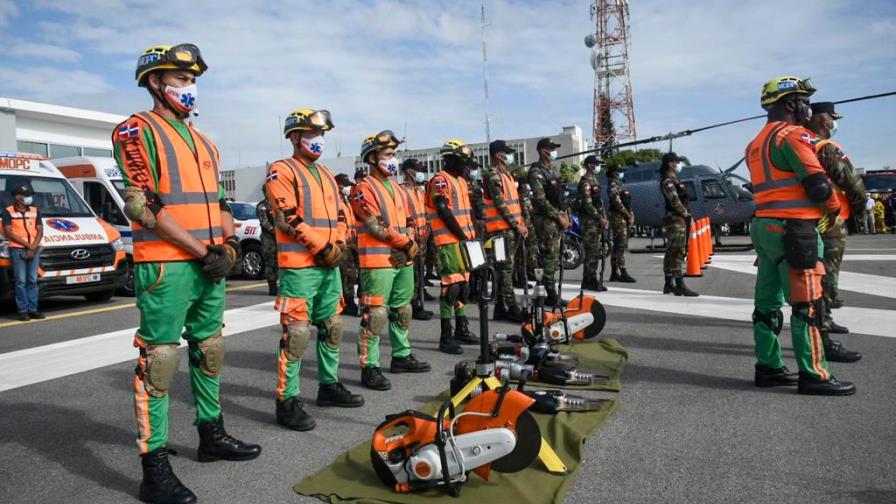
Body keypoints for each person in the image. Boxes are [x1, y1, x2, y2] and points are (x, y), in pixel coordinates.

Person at [114, 43, 260, 504]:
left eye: (192, 79)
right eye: (179, 79)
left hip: (208, 265)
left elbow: (218, 205)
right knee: (159, 363)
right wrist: (202, 250)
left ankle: (210, 434)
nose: (189, 88)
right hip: (167, 265)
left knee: (210, 349)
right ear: (154, 82)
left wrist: (231, 243)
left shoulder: (205, 142)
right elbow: (142, 203)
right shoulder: (137, 130)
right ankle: (153, 467)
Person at [746, 75, 854, 395]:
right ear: (790, 104)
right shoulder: (794, 136)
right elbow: (818, 185)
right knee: (807, 305)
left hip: (764, 227)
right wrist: (834, 209)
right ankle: (815, 375)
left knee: (766, 303)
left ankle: (769, 367)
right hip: (796, 230)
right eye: (803, 101)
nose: (807, 108)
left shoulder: (755, 143)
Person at [265, 108, 364, 434]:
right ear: (294, 137)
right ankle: (287, 400)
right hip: (300, 266)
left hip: (328, 265)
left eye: (321, 134)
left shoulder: (324, 174)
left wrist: (337, 245)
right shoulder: (281, 170)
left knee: (333, 326)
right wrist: (322, 248)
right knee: (297, 335)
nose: (318, 140)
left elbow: (341, 214)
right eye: (311, 134)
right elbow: (286, 216)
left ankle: (328, 385)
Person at [350, 131, 431, 391]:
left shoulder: (397, 189)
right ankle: (369, 366)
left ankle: (401, 355)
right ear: (372, 158)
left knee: (403, 309)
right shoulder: (363, 188)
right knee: (375, 315)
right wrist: (407, 244)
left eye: (394, 154)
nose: (393, 159)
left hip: (401, 259)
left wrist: (410, 247)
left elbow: (408, 222)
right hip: (378, 261)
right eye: (388, 154)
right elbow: (375, 226)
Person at [807, 101, 865, 361]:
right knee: (827, 275)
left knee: (818, 276)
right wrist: (861, 205)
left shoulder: (803, 146)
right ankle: (823, 330)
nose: (834, 123)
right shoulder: (826, 147)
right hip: (830, 221)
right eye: (831, 118)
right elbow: (851, 182)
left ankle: (826, 319)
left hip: (811, 220)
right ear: (822, 120)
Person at [426, 139, 479, 354]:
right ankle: (445, 336)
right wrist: (463, 235)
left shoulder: (461, 181)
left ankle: (462, 327)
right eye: (464, 161)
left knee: (463, 288)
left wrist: (473, 233)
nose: (468, 165)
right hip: (448, 241)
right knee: (450, 288)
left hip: (464, 241)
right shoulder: (440, 180)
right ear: (452, 159)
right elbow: (443, 210)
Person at [483, 140, 528, 321]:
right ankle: (511, 306)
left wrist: (521, 224)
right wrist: (516, 224)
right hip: (500, 230)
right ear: (498, 155)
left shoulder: (506, 175)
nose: (509, 156)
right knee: (505, 269)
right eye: (506, 153)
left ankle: (500, 307)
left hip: (510, 229)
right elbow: (501, 205)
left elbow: (515, 204)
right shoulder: (493, 176)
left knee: (505, 268)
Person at [528, 137, 569, 306]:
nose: (553, 152)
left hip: (557, 219)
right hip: (546, 221)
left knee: (554, 257)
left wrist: (566, 214)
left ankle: (550, 291)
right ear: (542, 151)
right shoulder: (536, 172)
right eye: (551, 149)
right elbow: (540, 199)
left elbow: (560, 196)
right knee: (548, 258)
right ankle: (549, 293)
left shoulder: (553, 170)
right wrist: (557, 216)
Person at [2, 184, 45, 320]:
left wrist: (33, 246)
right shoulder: (8, 211)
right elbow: (9, 233)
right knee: (21, 281)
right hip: (17, 248)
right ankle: (22, 311)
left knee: (32, 280)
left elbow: (40, 230)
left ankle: (33, 309)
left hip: (34, 248)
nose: (29, 198)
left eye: (29, 195)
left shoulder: (35, 210)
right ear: (17, 197)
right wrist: (28, 246)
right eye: (26, 195)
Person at [659, 152, 698, 296]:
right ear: (671, 164)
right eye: (676, 162)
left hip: (679, 218)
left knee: (671, 251)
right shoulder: (668, 181)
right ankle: (679, 284)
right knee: (676, 251)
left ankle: (669, 284)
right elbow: (674, 201)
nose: (679, 164)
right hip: (676, 219)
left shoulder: (674, 179)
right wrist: (687, 214)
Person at [400, 159, 434, 320]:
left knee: (420, 272)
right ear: (408, 171)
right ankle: (412, 304)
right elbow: (402, 217)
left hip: (422, 238)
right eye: (417, 169)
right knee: (411, 273)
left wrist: (426, 232)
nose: (420, 172)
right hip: (411, 240)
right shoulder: (401, 191)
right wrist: (412, 238)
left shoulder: (420, 191)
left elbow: (426, 213)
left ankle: (419, 301)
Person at [575, 156, 608, 292]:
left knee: (594, 252)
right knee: (592, 251)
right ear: (589, 166)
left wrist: (603, 218)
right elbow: (588, 205)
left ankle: (588, 280)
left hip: (596, 221)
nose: (598, 167)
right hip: (589, 222)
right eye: (596, 164)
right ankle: (590, 279)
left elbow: (599, 203)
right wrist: (600, 218)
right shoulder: (585, 183)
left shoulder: (594, 181)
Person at [335, 173, 361, 317]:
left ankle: (349, 300)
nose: (348, 188)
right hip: (343, 242)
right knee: (346, 274)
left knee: (351, 274)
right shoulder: (335, 201)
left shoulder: (346, 200)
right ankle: (347, 302)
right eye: (345, 185)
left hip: (352, 241)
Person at [606, 163, 636, 282]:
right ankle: (622, 271)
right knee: (620, 245)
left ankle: (614, 273)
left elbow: (626, 202)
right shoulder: (613, 185)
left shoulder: (620, 184)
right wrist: (627, 215)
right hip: (618, 217)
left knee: (618, 246)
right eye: (619, 171)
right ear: (614, 173)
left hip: (623, 216)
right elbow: (617, 203)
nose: (621, 173)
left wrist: (631, 213)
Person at [256, 186, 279, 295]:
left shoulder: (277, 204)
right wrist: (274, 231)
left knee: (279, 262)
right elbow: (264, 222)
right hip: (268, 238)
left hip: (279, 238)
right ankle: (272, 287)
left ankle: (278, 285)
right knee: (270, 262)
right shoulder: (262, 206)